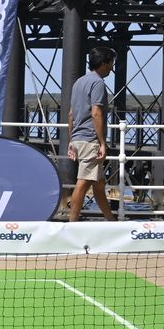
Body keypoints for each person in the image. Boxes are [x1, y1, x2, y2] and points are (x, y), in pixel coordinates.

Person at [67, 45, 117, 221]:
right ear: (104, 63)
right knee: (83, 183)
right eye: (112, 63)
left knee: (98, 185)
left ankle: (111, 222)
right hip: (90, 140)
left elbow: (71, 114)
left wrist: (71, 140)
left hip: (79, 138)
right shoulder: (98, 83)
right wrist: (103, 143)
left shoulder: (79, 82)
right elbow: (96, 113)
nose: (112, 67)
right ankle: (71, 224)